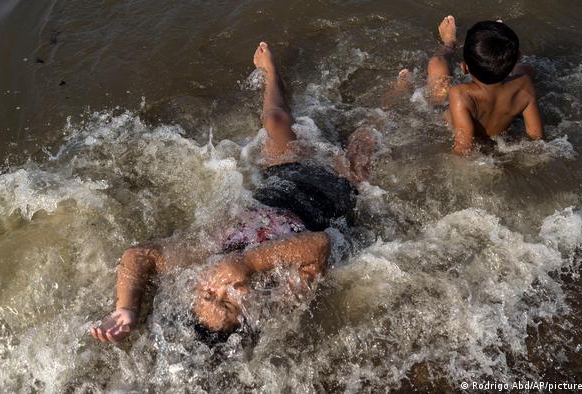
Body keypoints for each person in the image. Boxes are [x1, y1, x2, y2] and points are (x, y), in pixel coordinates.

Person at [90, 42, 379, 343]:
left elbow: (139, 256)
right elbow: (319, 244)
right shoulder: (279, 295)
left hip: (283, 176)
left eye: (207, 295)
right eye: (227, 303)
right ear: (249, 317)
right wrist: (247, 264)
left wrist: (126, 309)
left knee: (275, 119)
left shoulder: (206, 257)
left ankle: (272, 73)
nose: (220, 289)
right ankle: (401, 92)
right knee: (366, 137)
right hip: (336, 193)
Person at [401, 16, 543, 155]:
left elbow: (463, 148)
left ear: (464, 68)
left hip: (443, 113)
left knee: (437, 62)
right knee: (526, 69)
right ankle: (501, 49)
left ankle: (448, 44)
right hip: (501, 125)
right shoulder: (525, 85)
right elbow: (537, 138)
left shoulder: (461, 95)